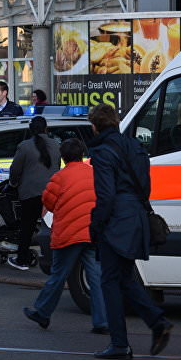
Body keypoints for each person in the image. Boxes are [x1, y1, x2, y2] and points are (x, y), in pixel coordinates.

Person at [87, 104, 173, 360]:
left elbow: (106, 195)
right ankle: (157, 322)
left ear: (95, 126)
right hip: (135, 216)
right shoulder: (135, 146)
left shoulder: (103, 152)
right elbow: (144, 187)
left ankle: (120, 343)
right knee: (124, 277)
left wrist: (97, 225)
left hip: (116, 220)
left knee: (110, 281)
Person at [23, 138, 108, 334]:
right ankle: (102, 321)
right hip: (93, 232)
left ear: (63, 158)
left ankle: (42, 312)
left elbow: (48, 202)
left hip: (68, 233)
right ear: (82, 155)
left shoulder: (59, 177)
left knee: (58, 275)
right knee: (96, 277)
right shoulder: (95, 174)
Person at [7, 116, 60, 270]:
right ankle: (56, 259)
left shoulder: (24, 146)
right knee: (52, 228)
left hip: (30, 194)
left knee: (27, 227)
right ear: (46, 129)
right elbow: (56, 168)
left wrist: (14, 183)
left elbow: (15, 170)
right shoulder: (56, 145)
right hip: (51, 193)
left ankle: (22, 259)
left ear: (31, 130)